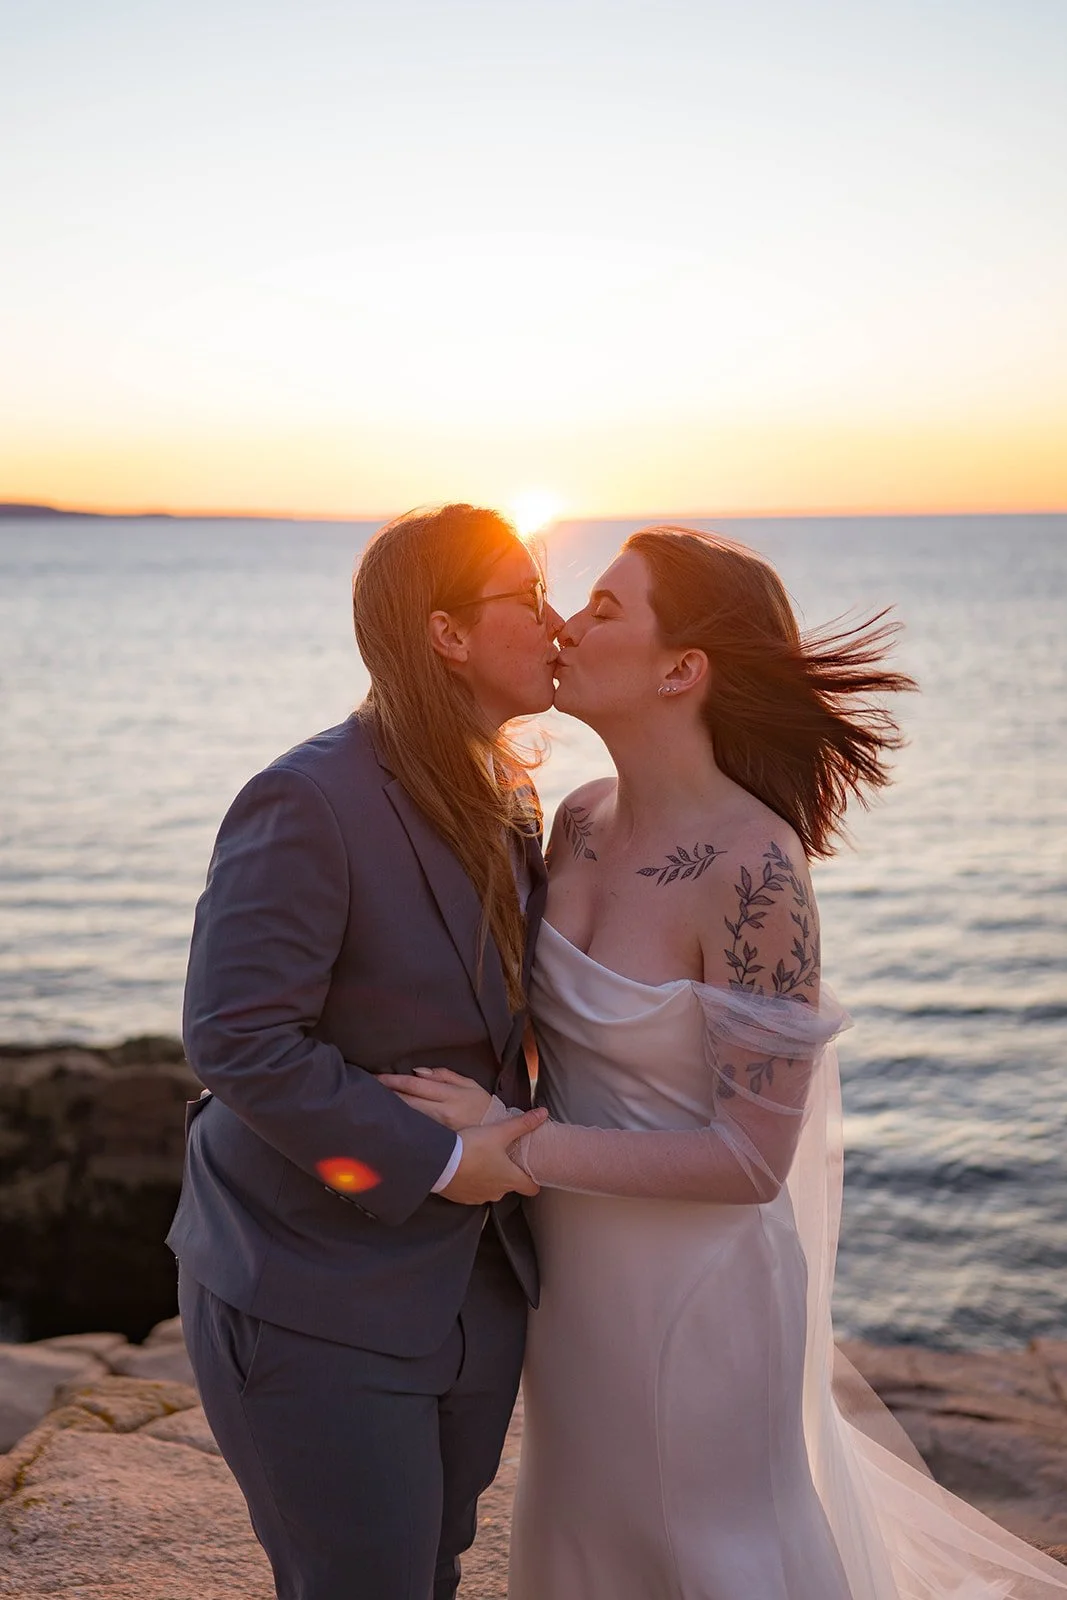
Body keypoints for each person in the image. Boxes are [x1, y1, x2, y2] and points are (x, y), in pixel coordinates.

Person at [383, 526, 1067, 1599]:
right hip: (571, 1283)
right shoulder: (578, 819)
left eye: (605, 608)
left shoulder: (755, 871)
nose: (564, 624)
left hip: (696, 1295)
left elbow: (750, 1160)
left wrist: (512, 1148)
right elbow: (544, 1033)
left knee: (708, 1551)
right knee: (585, 1533)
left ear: (680, 669)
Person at [167, 503, 563, 1600]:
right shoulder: (308, 798)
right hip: (307, 1288)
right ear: (446, 632)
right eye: (528, 598)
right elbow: (237, 1038)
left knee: (427, 1574)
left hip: (471, 1289)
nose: (556, 621)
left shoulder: (509, 791)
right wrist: (442, 1160)